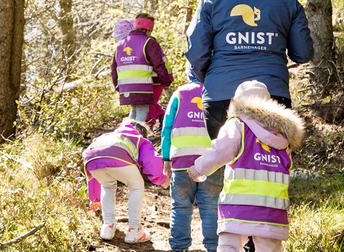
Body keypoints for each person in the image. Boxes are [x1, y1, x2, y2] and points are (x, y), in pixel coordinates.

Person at [185, 0, 314, 138]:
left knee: (218, 162)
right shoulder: (287, 0)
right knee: (270, 165)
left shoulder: (212, 0)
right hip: (271, 97)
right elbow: (303, 54)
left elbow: (196, 52)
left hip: (220, 96)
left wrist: (209, 80)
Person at [187, 81, 305, 252]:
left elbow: (220, 150)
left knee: (229, 246)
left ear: (237, 101)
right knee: (269, 248)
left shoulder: (238, 124)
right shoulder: (284, 136)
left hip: (238, 205)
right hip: (273, 209)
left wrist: (198, 168)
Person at [83, 118, 168, 244]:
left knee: (107, 186)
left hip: (90, 158)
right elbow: (151, 162)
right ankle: (134, 230)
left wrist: (95, 198)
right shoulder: (138, 139)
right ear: (142, 132)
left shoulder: (109, 136)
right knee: (136, 186)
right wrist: (162, 179)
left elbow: (94, 174)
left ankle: (108, 227)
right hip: (116, 156)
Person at [161, 82, 219, 252]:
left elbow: (167, 127)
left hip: (181, 159)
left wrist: (166, 157)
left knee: (181, 206)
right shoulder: (217, 90)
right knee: (211, 207)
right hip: (211, 160)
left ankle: (179, 247)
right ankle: (214, 248)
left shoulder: (180, 93)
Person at [112, 13, 174, 124]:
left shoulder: (120, 44)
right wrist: (166, 80)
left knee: (134, 111)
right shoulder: (149, 42)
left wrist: (117, 86)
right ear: (149, 29)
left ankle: (128, 137)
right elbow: (159, 64)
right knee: (141, 114)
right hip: (142, 87)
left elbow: (114, 68)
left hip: (125, 87)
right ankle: (138, 138)